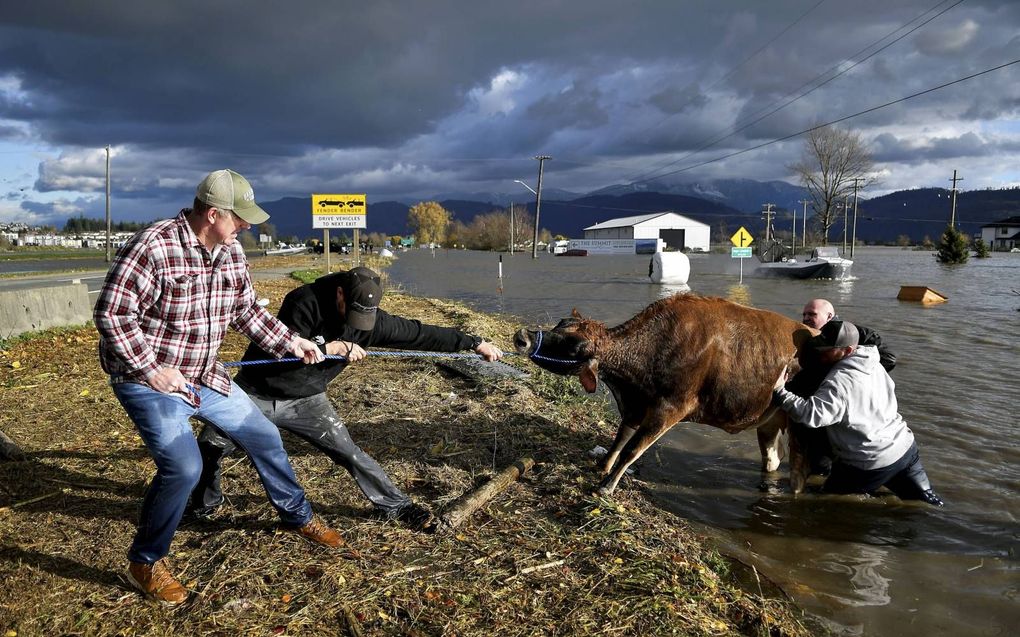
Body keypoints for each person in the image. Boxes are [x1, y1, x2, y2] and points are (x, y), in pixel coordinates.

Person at [94, 169, 344, 606]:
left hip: (203, 373)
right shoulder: (154, 246)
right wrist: (152, 370)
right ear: (213, 214)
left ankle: (297, 515)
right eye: (240, 219)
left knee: (265, 436)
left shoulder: (230, 254)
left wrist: (294, 342)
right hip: (147, 378)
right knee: (185, 468)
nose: (247, 226)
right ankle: (145, 560)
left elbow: (247, 311)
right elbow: (113, 314)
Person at [188, 266, 504, 532]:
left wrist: (474, 343)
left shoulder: (373, 321)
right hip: (254, 392)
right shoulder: (303, 301)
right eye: (351, 311)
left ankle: (395, 505)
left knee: (348, 451)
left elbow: (421, 333)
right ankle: (203, 505)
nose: (357, 322)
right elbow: (281, 347)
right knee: (211, 445)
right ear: (340, 293)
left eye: (364, 317)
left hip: (306, 399)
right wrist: (331, 349)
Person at [773, 321, 943, 506]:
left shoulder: (840, 382)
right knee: (928, 504)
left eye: (826, 349)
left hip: (868, 464)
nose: (820, 352)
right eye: (818, 346)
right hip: (905, 450)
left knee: (823, 506)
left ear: (846, 351)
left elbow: (811, 415)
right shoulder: (873, 360)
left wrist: (780, 391)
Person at [791, 298, 897, 475]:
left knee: (838, 452)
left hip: (843, 404)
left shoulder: (854, 333)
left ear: (830, 316)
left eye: (812, 314)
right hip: (816, 404)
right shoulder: (807, 336)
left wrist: (849, 375)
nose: (806, 318)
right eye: (804, 314)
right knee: (815, 456)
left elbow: (889, 358)